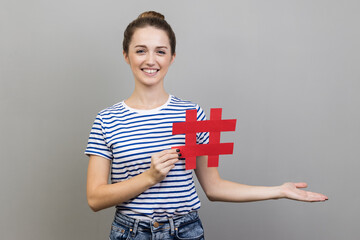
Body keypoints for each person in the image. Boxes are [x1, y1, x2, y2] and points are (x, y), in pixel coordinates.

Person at [85, 11, 328, 240]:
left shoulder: (192, 115)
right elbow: (95, 198)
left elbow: (214, 187)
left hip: (184, 231)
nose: (151, 60)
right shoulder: (107, 120)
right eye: (140, 50)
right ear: (126, 55)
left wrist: (279, 191)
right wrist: (149, 177)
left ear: (172, 57)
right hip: (131, 233)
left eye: (160, 51)